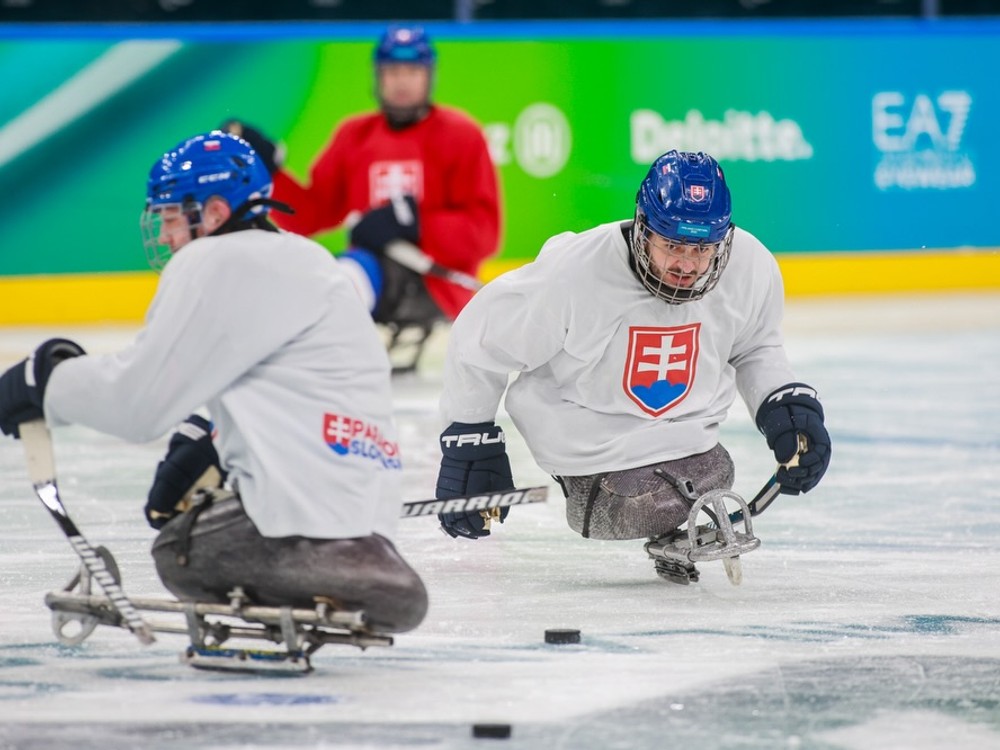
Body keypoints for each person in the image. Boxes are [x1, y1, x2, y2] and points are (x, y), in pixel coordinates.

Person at [0, 130, 428, 632]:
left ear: (216, 212)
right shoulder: (312, 260)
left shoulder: (214, 260)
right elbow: (293, 386)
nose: (164, 235)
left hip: (290, 532)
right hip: (376, 540)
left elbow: (135, 404)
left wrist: (45, 382)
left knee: (176, 550)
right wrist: (209, 434)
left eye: (170, 217)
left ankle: (299, 570)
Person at [432, 150, 832, 582]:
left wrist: (785, 408)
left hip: (693, 447)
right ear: (643, 227)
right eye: (672, 245)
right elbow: (481, 341)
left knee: (714, 473)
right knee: (640, 504)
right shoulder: (574, 274)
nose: (686, 264)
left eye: (702, 248)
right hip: (592, 454)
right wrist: (470, 443)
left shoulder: (749, 267)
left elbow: (755, 346)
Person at [223, 25, 501, 370]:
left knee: (347, 272)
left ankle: (305, 350)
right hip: (372, 276)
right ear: (378, 76)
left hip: (434, 283)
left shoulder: (461, 135)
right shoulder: (354, 136)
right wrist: (269, 170)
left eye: (412, 71)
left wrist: (417, 223)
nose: (402, 82)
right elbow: (310, 215)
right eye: (393, 71)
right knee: (323, 269)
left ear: (429, 76)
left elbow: (485, 232)